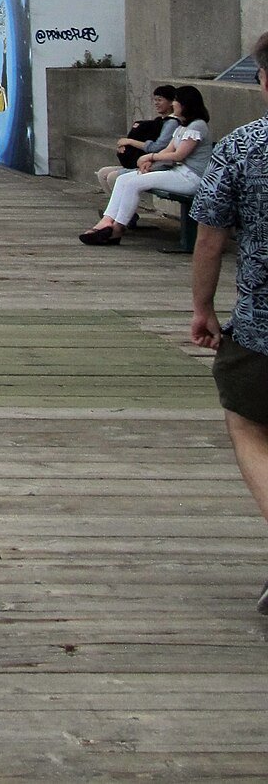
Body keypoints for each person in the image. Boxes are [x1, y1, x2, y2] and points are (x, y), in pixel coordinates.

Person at [189, 33, 268, 612]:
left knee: (249, 426)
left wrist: (203, 309)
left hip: (261, 330)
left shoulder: (243, 147)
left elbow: (209, 239)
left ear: (262, 79)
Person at [79, 84, 214, 244]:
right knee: (124, 180)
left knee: (133, 184)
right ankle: (106, 222)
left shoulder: (197, 126)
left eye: (176, 101)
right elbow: (169, 149)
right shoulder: (182, 127)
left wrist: (150, 156)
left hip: (191, 177)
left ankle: (117, 230)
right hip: (179, 172)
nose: (173, 104)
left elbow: (179, 154)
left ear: (186, 104)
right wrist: (149, 161)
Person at [96, 84, 178, 196]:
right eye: (155, 100)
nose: (156, 103)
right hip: (143, 160)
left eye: (160, 100)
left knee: (112, 177)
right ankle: (116, 212)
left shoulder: (172, 123)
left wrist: (130, 142)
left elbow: (157, 147)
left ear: (171, 102)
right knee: (102, 173)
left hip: (157, 164)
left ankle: (121, 213)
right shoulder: (158, 121)